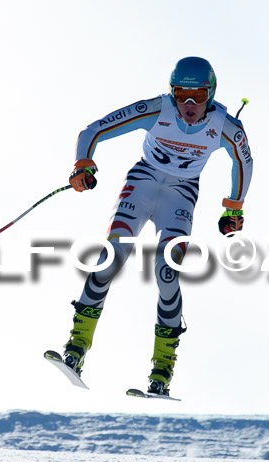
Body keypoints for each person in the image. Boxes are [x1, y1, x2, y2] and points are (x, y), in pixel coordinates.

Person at [62, 56, 253, 396]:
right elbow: (93, 130)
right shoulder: (157, 109)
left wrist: (233, 208)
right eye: (181, 94)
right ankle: (76, 347)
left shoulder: (226, 126)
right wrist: (83, 163)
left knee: (167, 272)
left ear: (211, 93)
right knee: (113, 256)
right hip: (143, 182)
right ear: (172, 93)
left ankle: (162, 370)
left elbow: (244, 161)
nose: (189, 104)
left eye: (198, 95)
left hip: (180, 196)